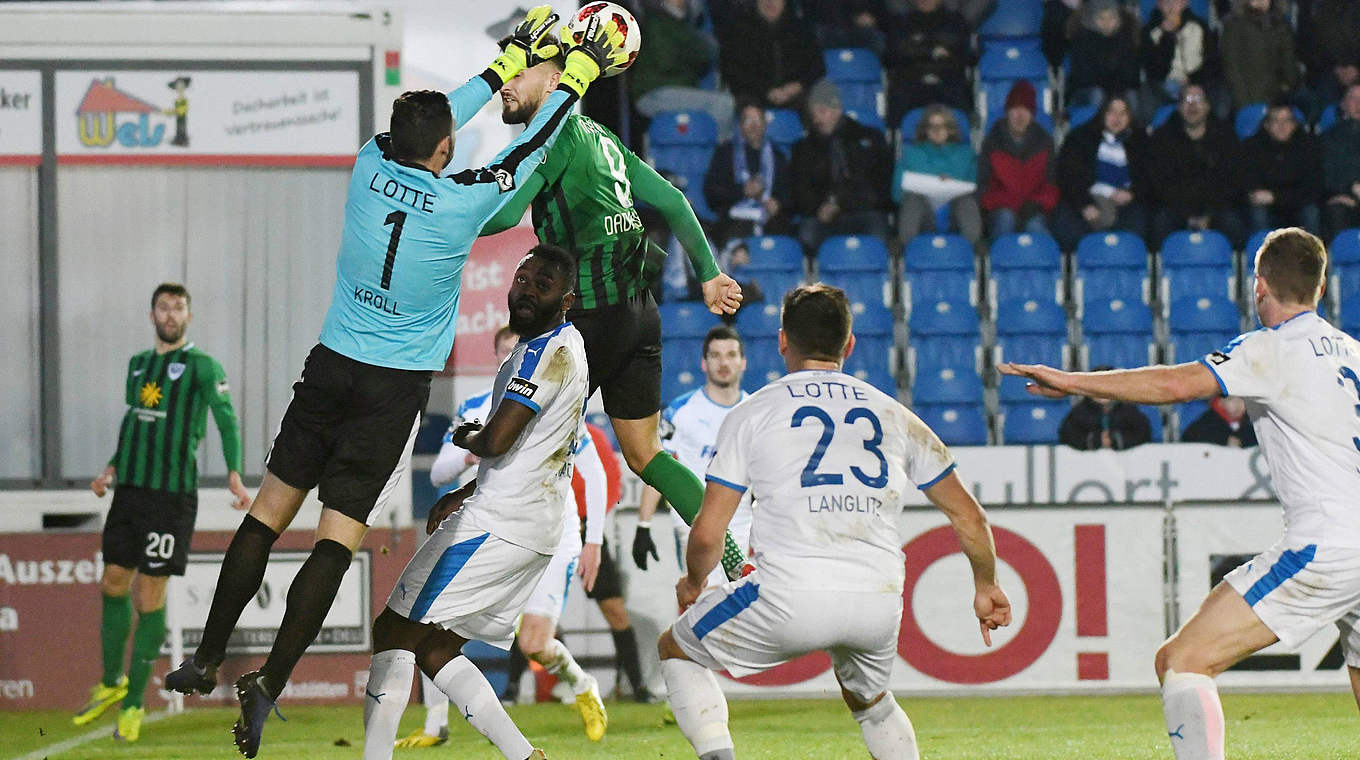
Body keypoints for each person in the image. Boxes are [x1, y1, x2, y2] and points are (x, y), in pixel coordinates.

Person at [162, 11, 624, 758]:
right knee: (335, 543)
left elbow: (432, 124)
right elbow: (534, 146)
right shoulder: (459, 204)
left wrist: (507, 64)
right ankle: (270, 682)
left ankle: (211, 657)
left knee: (265, 519)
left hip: (331, 365)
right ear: (446, 151)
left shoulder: (368, 163)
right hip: (389, 392)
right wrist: (570, 76)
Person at [1000, 227, 1360, 760]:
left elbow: (1173, 386)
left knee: (1182, 660)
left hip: (1326, 547)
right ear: (1320, 286)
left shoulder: (1273, 348)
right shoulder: (1352, 352)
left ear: (1258, 286)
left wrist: (1074, 383)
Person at [658, 283, 1012, 760]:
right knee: (869, 700)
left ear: (783, 341)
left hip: (788, 594)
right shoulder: (895, 415)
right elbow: (968, 514)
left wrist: (694, 581)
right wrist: (986, 582)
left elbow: (708, 531)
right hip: (878, 601)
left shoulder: (753, 413)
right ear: (849, 344)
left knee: (676, 649)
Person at [479, 49, 751, 581]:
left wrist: (441, 213)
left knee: (518, 440)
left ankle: (502, 563)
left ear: (557, 80)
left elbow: (506, 213)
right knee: (646, 454)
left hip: (586, 324)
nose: (506, 83)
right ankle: (737, 558)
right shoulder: (600, 137)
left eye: (520, 72)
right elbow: (672, 199)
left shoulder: (550, 140)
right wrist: (709, 273)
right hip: (639, 314)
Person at [361, 244, 589, 760]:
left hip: (501, 523)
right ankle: (526, 756)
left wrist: (464, 434)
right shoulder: (565, 345)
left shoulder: (542, 353)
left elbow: (497, 441)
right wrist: (466, 490)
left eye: (543, 285)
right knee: (438, 648)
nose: (527, 289)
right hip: (529, 525)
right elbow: (528, 448)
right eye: (523, 278)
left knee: (393, 630)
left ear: (567, 300)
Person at [74, 282, 250, 743]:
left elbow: (225, 416)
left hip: (170, 498)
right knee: (113, 581)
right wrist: (111, 467)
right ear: (151, 314)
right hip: (129, 491)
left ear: (188, 316)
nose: (171, 314)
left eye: (178, 307)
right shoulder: (137, 365)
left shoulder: (201, 366)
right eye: (163, 307)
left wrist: (234, 472)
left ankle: (133, 703)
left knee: (147, 596)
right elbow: (134, 419)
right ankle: (111, 683)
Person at [634, 325, 751, 589]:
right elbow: (658, 465)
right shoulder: (681, 411)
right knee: (706, 600)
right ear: (703, 362)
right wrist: (643, 523)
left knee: (744, 608)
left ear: (743, 362)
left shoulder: (754, 411)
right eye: (716, 355)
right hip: (695, 521)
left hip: (747, 524)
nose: (723, 362)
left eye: (731, 355)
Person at [791, 79, 894, 256]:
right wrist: (818, 208)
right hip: (821, 214)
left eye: (822, 111)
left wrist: (844, 203)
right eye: (813, 112)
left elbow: (880, 183)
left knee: (878, 235)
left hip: (863, 210)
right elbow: (799, 188)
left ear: (837, 109)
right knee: (808, 235)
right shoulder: (803, 147)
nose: (817, 118)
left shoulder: (869, 139)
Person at [1146, 82, 1245, 250]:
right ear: (1178, 107)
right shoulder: (1162, 138)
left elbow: (1231, 181)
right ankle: (1159, 274)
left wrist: (1209, 216)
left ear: (1207, 106)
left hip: (1216, 207)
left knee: (1233, 224)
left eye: (1198, 99)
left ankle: (1237, 274)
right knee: (1160, 223)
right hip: (1176, 208)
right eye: (1186, 99)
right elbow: (1160, 184)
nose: (1192, 105)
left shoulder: (1225, 136)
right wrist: (1187, 217)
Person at [1052, 94, 1150, 251]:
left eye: (1122, 113)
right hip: (1086, 198)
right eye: (1112, 112)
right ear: (1103, 114)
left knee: (1136, 231)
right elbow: (1068, 176)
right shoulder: (1079, 137)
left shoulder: (1141, 141)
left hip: (1127, 202)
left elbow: (1148, 178)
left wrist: (1132, 194)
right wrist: (1084, 205)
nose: (1117, 118)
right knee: (1068, 229)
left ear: (1130, 117)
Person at [630, 0, 734, 134]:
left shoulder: (685, 25)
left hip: (677, 88)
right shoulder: (656, 21)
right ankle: (724, 153)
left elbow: (705, 57)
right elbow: (666, 62)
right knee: (723, 105)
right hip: (653, 92)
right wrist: (691, 56)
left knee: (725, 96)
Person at [703, 101, 793, 248]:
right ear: (740, 125)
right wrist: (742, 191)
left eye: (758, 120)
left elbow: (789, 196)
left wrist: (778, 204)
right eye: (748, 120)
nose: (754, 126)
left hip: (770, 221)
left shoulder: (777, 157)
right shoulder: (725, 153)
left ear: (765, 124)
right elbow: (712, 193)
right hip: (734, 219)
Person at [893, 103, 982, 249]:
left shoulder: (966, 155)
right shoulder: (910, 155)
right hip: (924, 215)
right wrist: (928, 184)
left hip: (954, 214)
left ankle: (968, 252)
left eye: (943, 126)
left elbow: (975, 189)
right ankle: (909, 252)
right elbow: (897, 193)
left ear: (951, 129)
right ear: (925, 129)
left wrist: (952, 185)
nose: (937, 131)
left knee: (967, 201)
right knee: (912, 200)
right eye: (932, 126)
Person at [978, 80, 1059, 239]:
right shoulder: (992, 142)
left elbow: (1052, 184)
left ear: (1032, 114)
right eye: (1015, 109)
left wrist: (1037, 204)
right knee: (1005, 219)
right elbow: (984, 187)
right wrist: (1010, 204)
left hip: (1035, 208)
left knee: (1036, 227)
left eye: (1026, 110)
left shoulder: (1045, 142)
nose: (1020, 115)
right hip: (1001, 209)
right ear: (1007, 112)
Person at [718, 0, 826, 110]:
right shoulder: (738, 31)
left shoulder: (800, 28)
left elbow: (818, 66)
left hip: (796, 94)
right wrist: (765, 91)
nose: (770, 2)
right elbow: (732, 72)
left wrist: (798, 86)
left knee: (822, 108)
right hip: (753, 97)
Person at [882, 0, 973, 128]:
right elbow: (895, 54)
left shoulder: (955, 21)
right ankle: (896, 143)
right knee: (898, 98)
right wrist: (933, 50)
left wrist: (918, 47)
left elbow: (962, 53)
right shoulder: (901, 22)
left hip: (947, 79)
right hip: (910, 80)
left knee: (960, 99)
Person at [1239, 100, 1324, 235]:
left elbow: (1312, 189)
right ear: (1266, 125)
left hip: (1297, 205)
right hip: (1267, 208)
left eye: (1287, 120)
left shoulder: (1308, 147)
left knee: (1311, 211)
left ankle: (1312, 254)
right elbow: (1249, 184)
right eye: (1276, 121)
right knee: (1257, 211)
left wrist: (1276, 197)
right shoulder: (1251, 148)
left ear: (1295, 124)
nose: (1282, 126)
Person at [1139, 0, 1216, 124]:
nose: (1171, 7)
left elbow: (1212, 61)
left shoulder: (1199, 26)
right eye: (1166, 3)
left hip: (1197, 82)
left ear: (1185, 3)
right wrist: (1167, 37)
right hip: (1164, 85)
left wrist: (1193, 81)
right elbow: (1154, 71)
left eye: (1176, 2)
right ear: (1159, 5)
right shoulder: (1149, 31)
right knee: (1147, 93)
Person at [1219, 0, 1299, 111]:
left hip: (1277, 97)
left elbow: (1288, 60)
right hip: (1248, 97)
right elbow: (1232, 69)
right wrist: (1245, 104)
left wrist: (1288, 86)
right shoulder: (1234, 25)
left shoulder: (1281, 24)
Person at [1065, 0, 1140, 110]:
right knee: (1097, 95)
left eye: (1112, 18)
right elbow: (1083, 77)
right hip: (1086, 91)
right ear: (1091, 19)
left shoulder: (1125, 39)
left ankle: (1134, 127)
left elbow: (1132, 75)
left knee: (1131, 95)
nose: (1107, 23)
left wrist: (1115, 90)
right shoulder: (1082, 40)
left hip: (1116, 90)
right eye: (1101, 18)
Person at [1321, 83, 1360, 241]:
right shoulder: (1331, 137)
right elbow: (1329, 173)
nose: (1358, 104)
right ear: (1343, 104)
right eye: (1353, 99)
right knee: (1336, 210)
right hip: (1346, 199)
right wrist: (1350, 190)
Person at [1058, 391, 1154, 452]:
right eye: (1096, 388)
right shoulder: (1080, 411)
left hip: (1127, 465)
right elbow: (1067, 434)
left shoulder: (1128, 410)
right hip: (1086, 465)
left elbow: (1144, 433)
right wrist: (1096, 440)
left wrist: (1115, 439)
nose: (1102, 392)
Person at [1182, 395, 1257, 447]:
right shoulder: (1208, 421)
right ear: (1220, 402)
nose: (1238, 404)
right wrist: (1224, 441)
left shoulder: (1253, 421)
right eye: (1231, 399)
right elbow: (1188, 438)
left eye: (1242, 399)